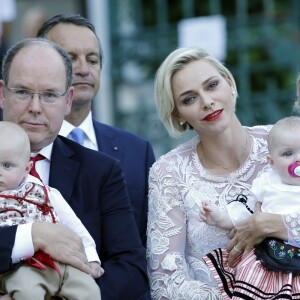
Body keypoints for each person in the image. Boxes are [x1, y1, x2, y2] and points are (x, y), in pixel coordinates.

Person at [0, 38, 148, 300]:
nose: (35, 107)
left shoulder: (101, 171)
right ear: (2, 94)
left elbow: (131, 270)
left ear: (68, 100)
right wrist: (31, 236)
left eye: (49, 95)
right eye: (22, 92)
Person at [146, 47, 299, 300]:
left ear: (230, 83)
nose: (207, 101)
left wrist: (273, 224)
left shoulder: (287, 144)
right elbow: (166, 281)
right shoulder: (168, 172)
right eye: (189, 99)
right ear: (178, 115)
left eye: (212, 85)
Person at [37, 14, 156, 250]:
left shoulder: (137, 151)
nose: (83, 69)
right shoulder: (18, 146)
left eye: (92, 59)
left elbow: (148, 245)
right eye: (70, 58)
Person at [200, 115, 300, 299]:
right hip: (270, 255)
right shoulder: (268, 183)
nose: (298, 159)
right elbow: (247, 212)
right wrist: (221, 218)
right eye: (288, 154)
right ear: (272, 162)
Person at [0, 121, 103, 299]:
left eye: (7, 165)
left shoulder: (46, 192)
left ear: (27, 168)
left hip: (62, 262)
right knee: (27, 292)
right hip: (21, 267)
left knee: (89, 290)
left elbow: (74, 226)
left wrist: (91, 258)